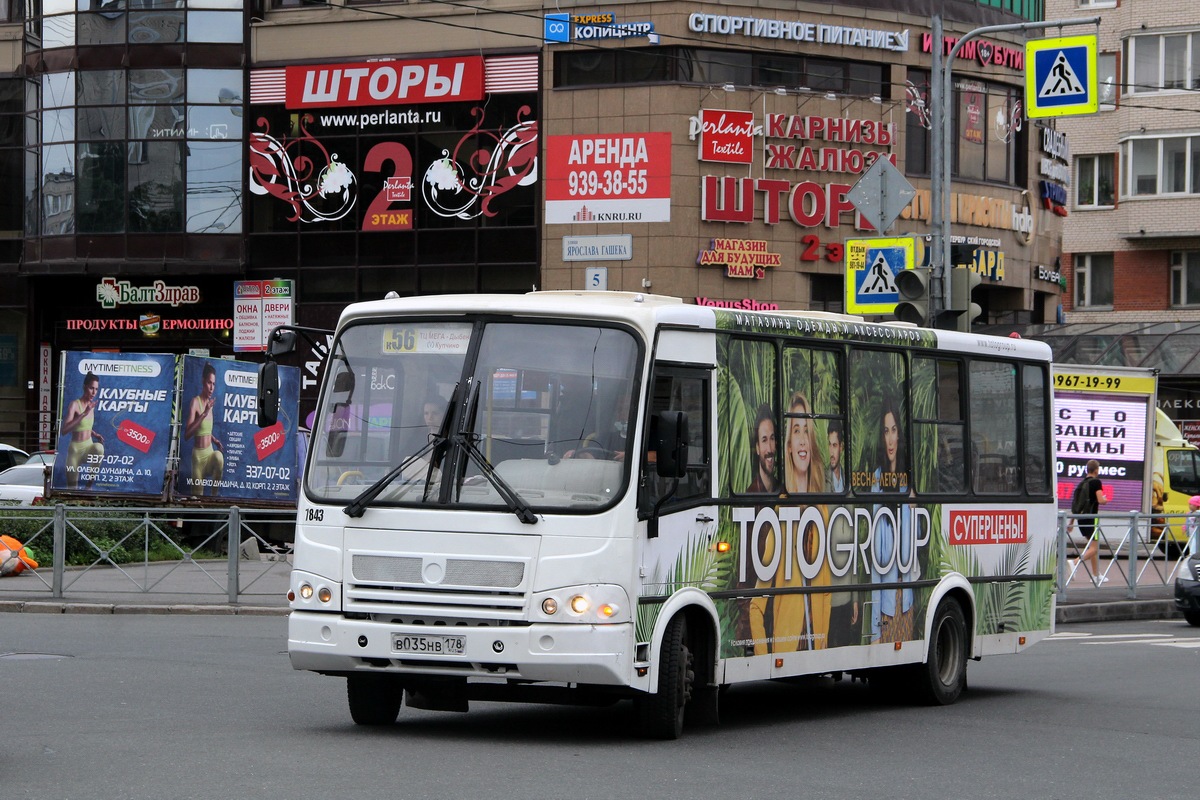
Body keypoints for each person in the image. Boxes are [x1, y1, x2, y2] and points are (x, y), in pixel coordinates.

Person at [749, 392, 831, 653]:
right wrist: (765, 656)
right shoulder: (780, 512)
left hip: (815, 647)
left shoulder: (823, 510)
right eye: (796, 430)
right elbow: (756, 606)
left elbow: (826, 591)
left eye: (806, 430)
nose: (803, 439)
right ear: (788, 444)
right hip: (787, 648)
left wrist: (823, 644)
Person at [870, 394, 915, 643]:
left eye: (894, 430)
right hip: (887, 607)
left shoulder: (909, 483)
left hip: (907, 602)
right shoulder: (877, 481)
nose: (890, 439)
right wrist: (875, 630)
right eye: (885, 431)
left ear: (900, 434)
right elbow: (877, 562)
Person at [184, 363, 224, 496]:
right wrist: (204, 414)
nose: (211, 387)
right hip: (198, 458)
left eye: (213, 384)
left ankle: (214, 497)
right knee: (197, 499)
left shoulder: (210, 404)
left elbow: (204, 430)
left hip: (209, 453)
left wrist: (214, 439)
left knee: (219, 457)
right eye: (209, 383)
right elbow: (187, 434)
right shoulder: (195, 402)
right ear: (203, 381)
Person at [60, 371, 105, 489]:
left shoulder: (92, 405)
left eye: (96, 389)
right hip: (75, 449)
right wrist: (84, 413)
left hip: (88, 447)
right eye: (91, 388)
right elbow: (64, 430)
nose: (94, 392)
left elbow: (85, 427)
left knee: (99, 448)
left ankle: (89, 485)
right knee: (72, 488)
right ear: (84, 387)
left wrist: (95, 434)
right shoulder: (75, 405)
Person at [1070, 459, 1109, 584]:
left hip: (1081, 519)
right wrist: (1104, 500)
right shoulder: (1096, 482)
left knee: (1092, 547)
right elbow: (1100, 500)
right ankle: (1074, 562)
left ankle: (1096, 575)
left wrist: (1071, 522)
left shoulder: (1082, 483)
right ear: (1096, 470)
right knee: (1094, 548)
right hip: (1092, 518)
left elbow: (1077, 505)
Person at [745, 403, 779, 494]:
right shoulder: (750, 495)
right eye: (764, 440)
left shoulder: (783, 491)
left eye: (772, 438)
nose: (769, 448)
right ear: (757, 447)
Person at [827, 419, 845, 492]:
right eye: (829, 445)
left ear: (841, 447)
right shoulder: (822, 479)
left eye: (834, 445)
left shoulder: (848, 480)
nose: (831, 452)